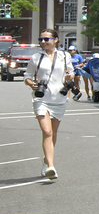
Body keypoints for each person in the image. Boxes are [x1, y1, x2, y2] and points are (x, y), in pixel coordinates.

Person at [24, 30, 73, 180]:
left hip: (58, 99)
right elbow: (27, 76)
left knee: (53, 133)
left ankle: (46, 161)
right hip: (41, 99)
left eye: (46, 39)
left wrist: (69, 77)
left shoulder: (65, 56)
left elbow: (70, 74)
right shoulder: (36, 57)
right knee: (47, 132)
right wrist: (31, 84)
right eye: (41, 39)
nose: (43, 42)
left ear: (56, 40)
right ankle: (51, 167)